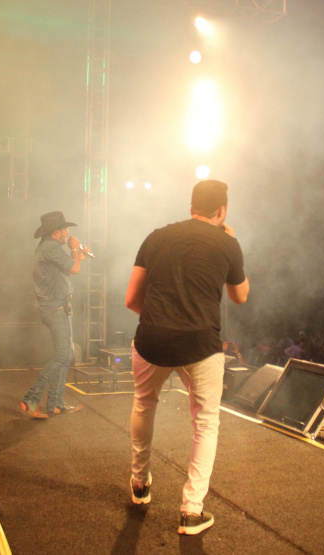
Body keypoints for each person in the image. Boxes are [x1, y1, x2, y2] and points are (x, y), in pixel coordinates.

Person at [125, 180, 249, 535]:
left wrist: (158, 321)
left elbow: (132, 299)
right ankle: (192, 511)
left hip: (151, 338)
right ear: (222, 211)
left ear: (191, 205)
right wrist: (230, 241)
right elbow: (241, 296)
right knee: (206, 421)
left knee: (144, 404)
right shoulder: (228, 243)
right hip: (200, 344)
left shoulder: (156, 237)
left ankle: (139, 483)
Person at [20, 211, 86, 419]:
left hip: (59, 307)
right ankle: (30, 398)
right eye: (65, 230)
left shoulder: (49, 248)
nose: (68, 233)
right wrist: (75, 250)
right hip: (55, 308)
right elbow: (74, 269)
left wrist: (78, 257)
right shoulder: (51, 248)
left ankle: (56, 403)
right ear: (56, 232)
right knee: (62, 356)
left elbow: (69, 268)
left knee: (66, 355)